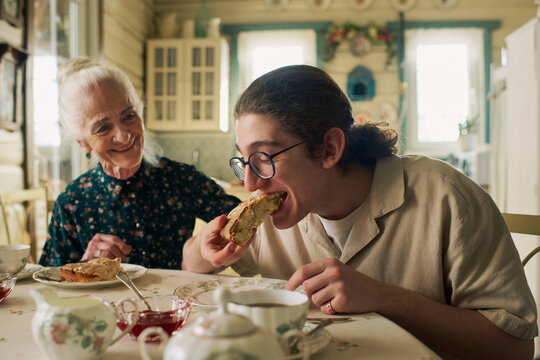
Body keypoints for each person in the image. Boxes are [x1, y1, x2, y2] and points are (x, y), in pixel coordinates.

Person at [182, 65, 537, 360]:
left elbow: (514, 348)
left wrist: (384, 297)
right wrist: (206, 250)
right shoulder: (271, 216)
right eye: (244, 161)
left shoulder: (446, 196)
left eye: (264, 158)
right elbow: (189, 265)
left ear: (330, 148)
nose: (250, 184)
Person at [39, 57, 240, 269]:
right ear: (83, 143)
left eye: (128, 116)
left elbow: (241, 217)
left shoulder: (180, 179)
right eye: (102, 128)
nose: (124, 136)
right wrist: (83, 267)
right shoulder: (72, 202)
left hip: (175, 302)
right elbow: (48, 286)